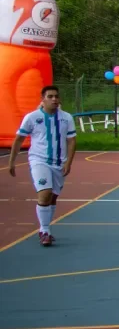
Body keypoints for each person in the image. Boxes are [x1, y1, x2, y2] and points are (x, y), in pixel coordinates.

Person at [7, 85, 76, 247]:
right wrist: (12, 161)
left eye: (56, 96)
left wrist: (68, 162)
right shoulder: (32, 117)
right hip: (39, 160)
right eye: (50, 96)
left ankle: (46, 228)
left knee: (53, 197)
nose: (54, 99)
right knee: (44, 194)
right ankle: (44, 230)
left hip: (59, 162)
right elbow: (19, 139)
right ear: (43, 99)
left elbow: (71, 140)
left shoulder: (66, 118)